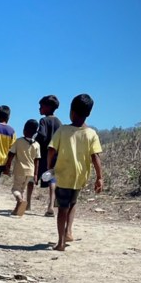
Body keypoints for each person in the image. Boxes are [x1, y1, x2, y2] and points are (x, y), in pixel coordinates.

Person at [48, 94, 103, 251]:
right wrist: (100, 177)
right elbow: (95, 157)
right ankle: (68, 232)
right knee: (73, 203)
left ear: (71, 111)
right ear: (89, 113)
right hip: (79, 177)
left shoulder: (63, 130)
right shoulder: (91, 133)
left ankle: (60, 242)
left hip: (63, 175)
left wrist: (50, 167)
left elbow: (51, 150)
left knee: (62, 208)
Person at [7, 118, 40, 216]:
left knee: (15, 190)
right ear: (35, 132)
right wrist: (36, 174)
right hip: (30, 171)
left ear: (24, 130)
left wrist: (7, 166)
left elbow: (11, 155)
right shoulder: (37, 145)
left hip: (20, 170)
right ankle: (17, 210)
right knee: (22, 190)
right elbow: (37, 160)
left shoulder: (18, 141)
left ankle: (20, 201)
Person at [35, 95, 62, 217]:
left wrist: (35, 143)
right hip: (57, 153)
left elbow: (41, 135)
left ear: (47, 107)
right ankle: (51, 205)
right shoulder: (59, 122)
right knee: (53, 178)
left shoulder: (43, 121)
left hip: (45, 153)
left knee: (42, 176)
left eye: (41, 106)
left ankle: (28, 202)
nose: (39, 109)